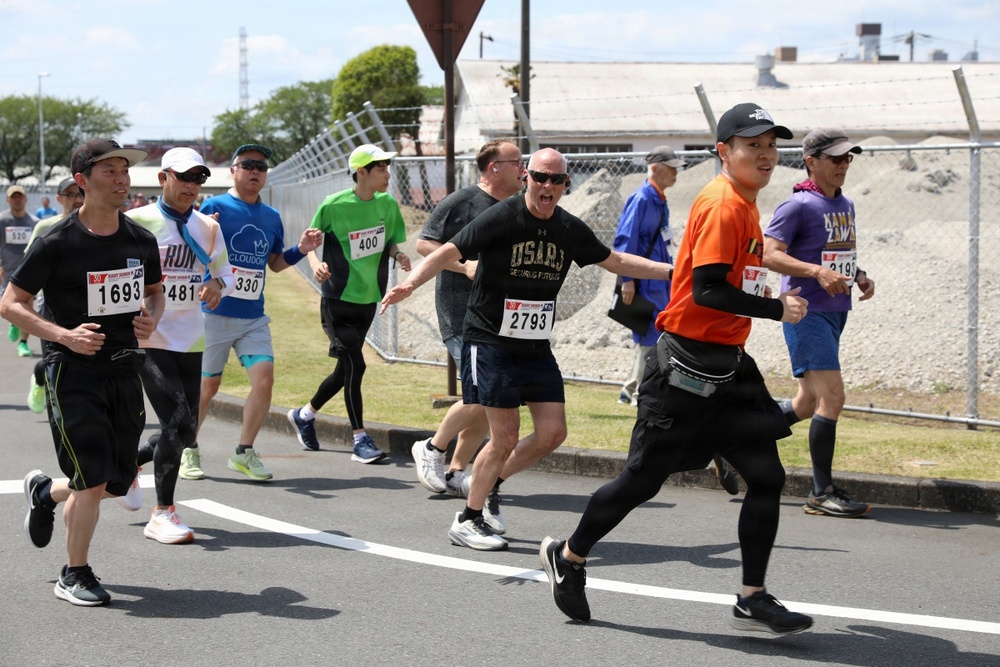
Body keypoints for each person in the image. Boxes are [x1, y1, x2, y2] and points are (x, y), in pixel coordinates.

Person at [537, 103, 814, 636]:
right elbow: (709, 289)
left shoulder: (746, 203)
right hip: (684, 370)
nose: (764, 154)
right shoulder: (723, 205)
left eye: (771, 146)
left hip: (730, 367)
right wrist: (778, 308)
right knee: (641, 482)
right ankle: (569, 556)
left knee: (766, 476)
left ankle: (751, 596)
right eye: (751, 145)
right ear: (723, 152)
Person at [381, 147, 673, 551]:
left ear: (566, 185)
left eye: (556, 179)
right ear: (526, 178)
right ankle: (468, 518)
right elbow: (449, 250)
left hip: (534, 345)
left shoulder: (569, 229)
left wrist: (677, 272)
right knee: (504, 437)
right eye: (539, 177)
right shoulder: (502, 216)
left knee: (553, 432)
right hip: (490, 339)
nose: (546, 185)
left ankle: (488, 481)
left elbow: (616, 260)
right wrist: (410, 284)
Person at [2, 138, 163, 605]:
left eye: (124, 171)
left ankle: (44, 494)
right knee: (92, 481)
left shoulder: (140, 239)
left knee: (114, 482)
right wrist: (63, 335)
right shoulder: (57, 241)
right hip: (71, 370)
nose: (121, 179)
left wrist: (150, 314)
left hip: (123, 369)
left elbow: (154, 291)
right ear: (82, 181)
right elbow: (11, 304)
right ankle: (74, 573)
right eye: (109, 171)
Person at [763, 128, 875, 518]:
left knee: (807, 402)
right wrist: (815, 273)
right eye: (836, 158)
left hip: (836, 311)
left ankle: (731, 439)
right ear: (812, 161)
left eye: (849, 158)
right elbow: (769, 254)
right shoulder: (796, 206)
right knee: (833, 398)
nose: (844, 164)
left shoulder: (844, 203)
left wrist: (857, 273)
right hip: (804, 312)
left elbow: (833, 254)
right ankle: (820, 492)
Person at [193, 143, 322, 482]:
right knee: (208, 387)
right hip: (215, 313)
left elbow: (275, 264)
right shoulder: (214, 205)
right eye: (247, 165)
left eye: (261, 167)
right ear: (233, 171)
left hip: (252, 317)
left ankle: (244, 452)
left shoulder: (271, 217)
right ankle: (187, 447)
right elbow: (196, 251)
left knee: (264, 380)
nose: (254, 171)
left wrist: (301, 250)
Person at [129, 147, 235, 543]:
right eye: (184, 176)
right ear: (163, 178)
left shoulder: (208, 226)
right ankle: (163, 513)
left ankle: (128, 465)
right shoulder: (136, 220)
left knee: (187, 429)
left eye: (198, 178)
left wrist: (216, 284)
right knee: (175, 420)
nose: (192, 185)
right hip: (148, 338)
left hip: (191, 339)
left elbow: (226, 271)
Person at [410, 139, 524, 495]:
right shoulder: (463, 201)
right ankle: (432, 447)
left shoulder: (517, 207)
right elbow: (425, 244)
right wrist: (463, 266)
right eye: (516, 162)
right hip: (460, 313)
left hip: (499, 316)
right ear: (494, 167)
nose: (524, 168)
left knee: (487, 402)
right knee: (480, 397)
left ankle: (456, 470)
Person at [287, 144, 410, 464]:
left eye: (387, 168)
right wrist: (314, 262)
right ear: (361, 173)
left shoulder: (387, 204)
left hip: (368, 297)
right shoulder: (333, 204)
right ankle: (360, 439)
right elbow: (310, 242)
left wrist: (398, 254)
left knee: (345, 369)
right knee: (357, 364)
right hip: (336, 298)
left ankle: (304, 415)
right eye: (380, 169)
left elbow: (391, 240)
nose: (387, 174)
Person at [25, 177, 86, 413]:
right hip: (52, 307)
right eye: (70, 195)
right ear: (59, 199)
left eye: (80, 193)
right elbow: (27, 269)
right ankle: (43, 380)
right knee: (55, 361)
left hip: (89, 307)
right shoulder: (46, 227)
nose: (76, 199)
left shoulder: (101, 226)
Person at [2, 184, 39, 357]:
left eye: (20, 196)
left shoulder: (33, 222)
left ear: (25, 199)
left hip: (27, 271)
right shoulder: (2, 221)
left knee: (27, 305)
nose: (17, 200)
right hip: (6, 270)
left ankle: (23, 343)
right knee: (7, 305)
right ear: (8, 199)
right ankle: (13, 321)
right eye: (13, 197)